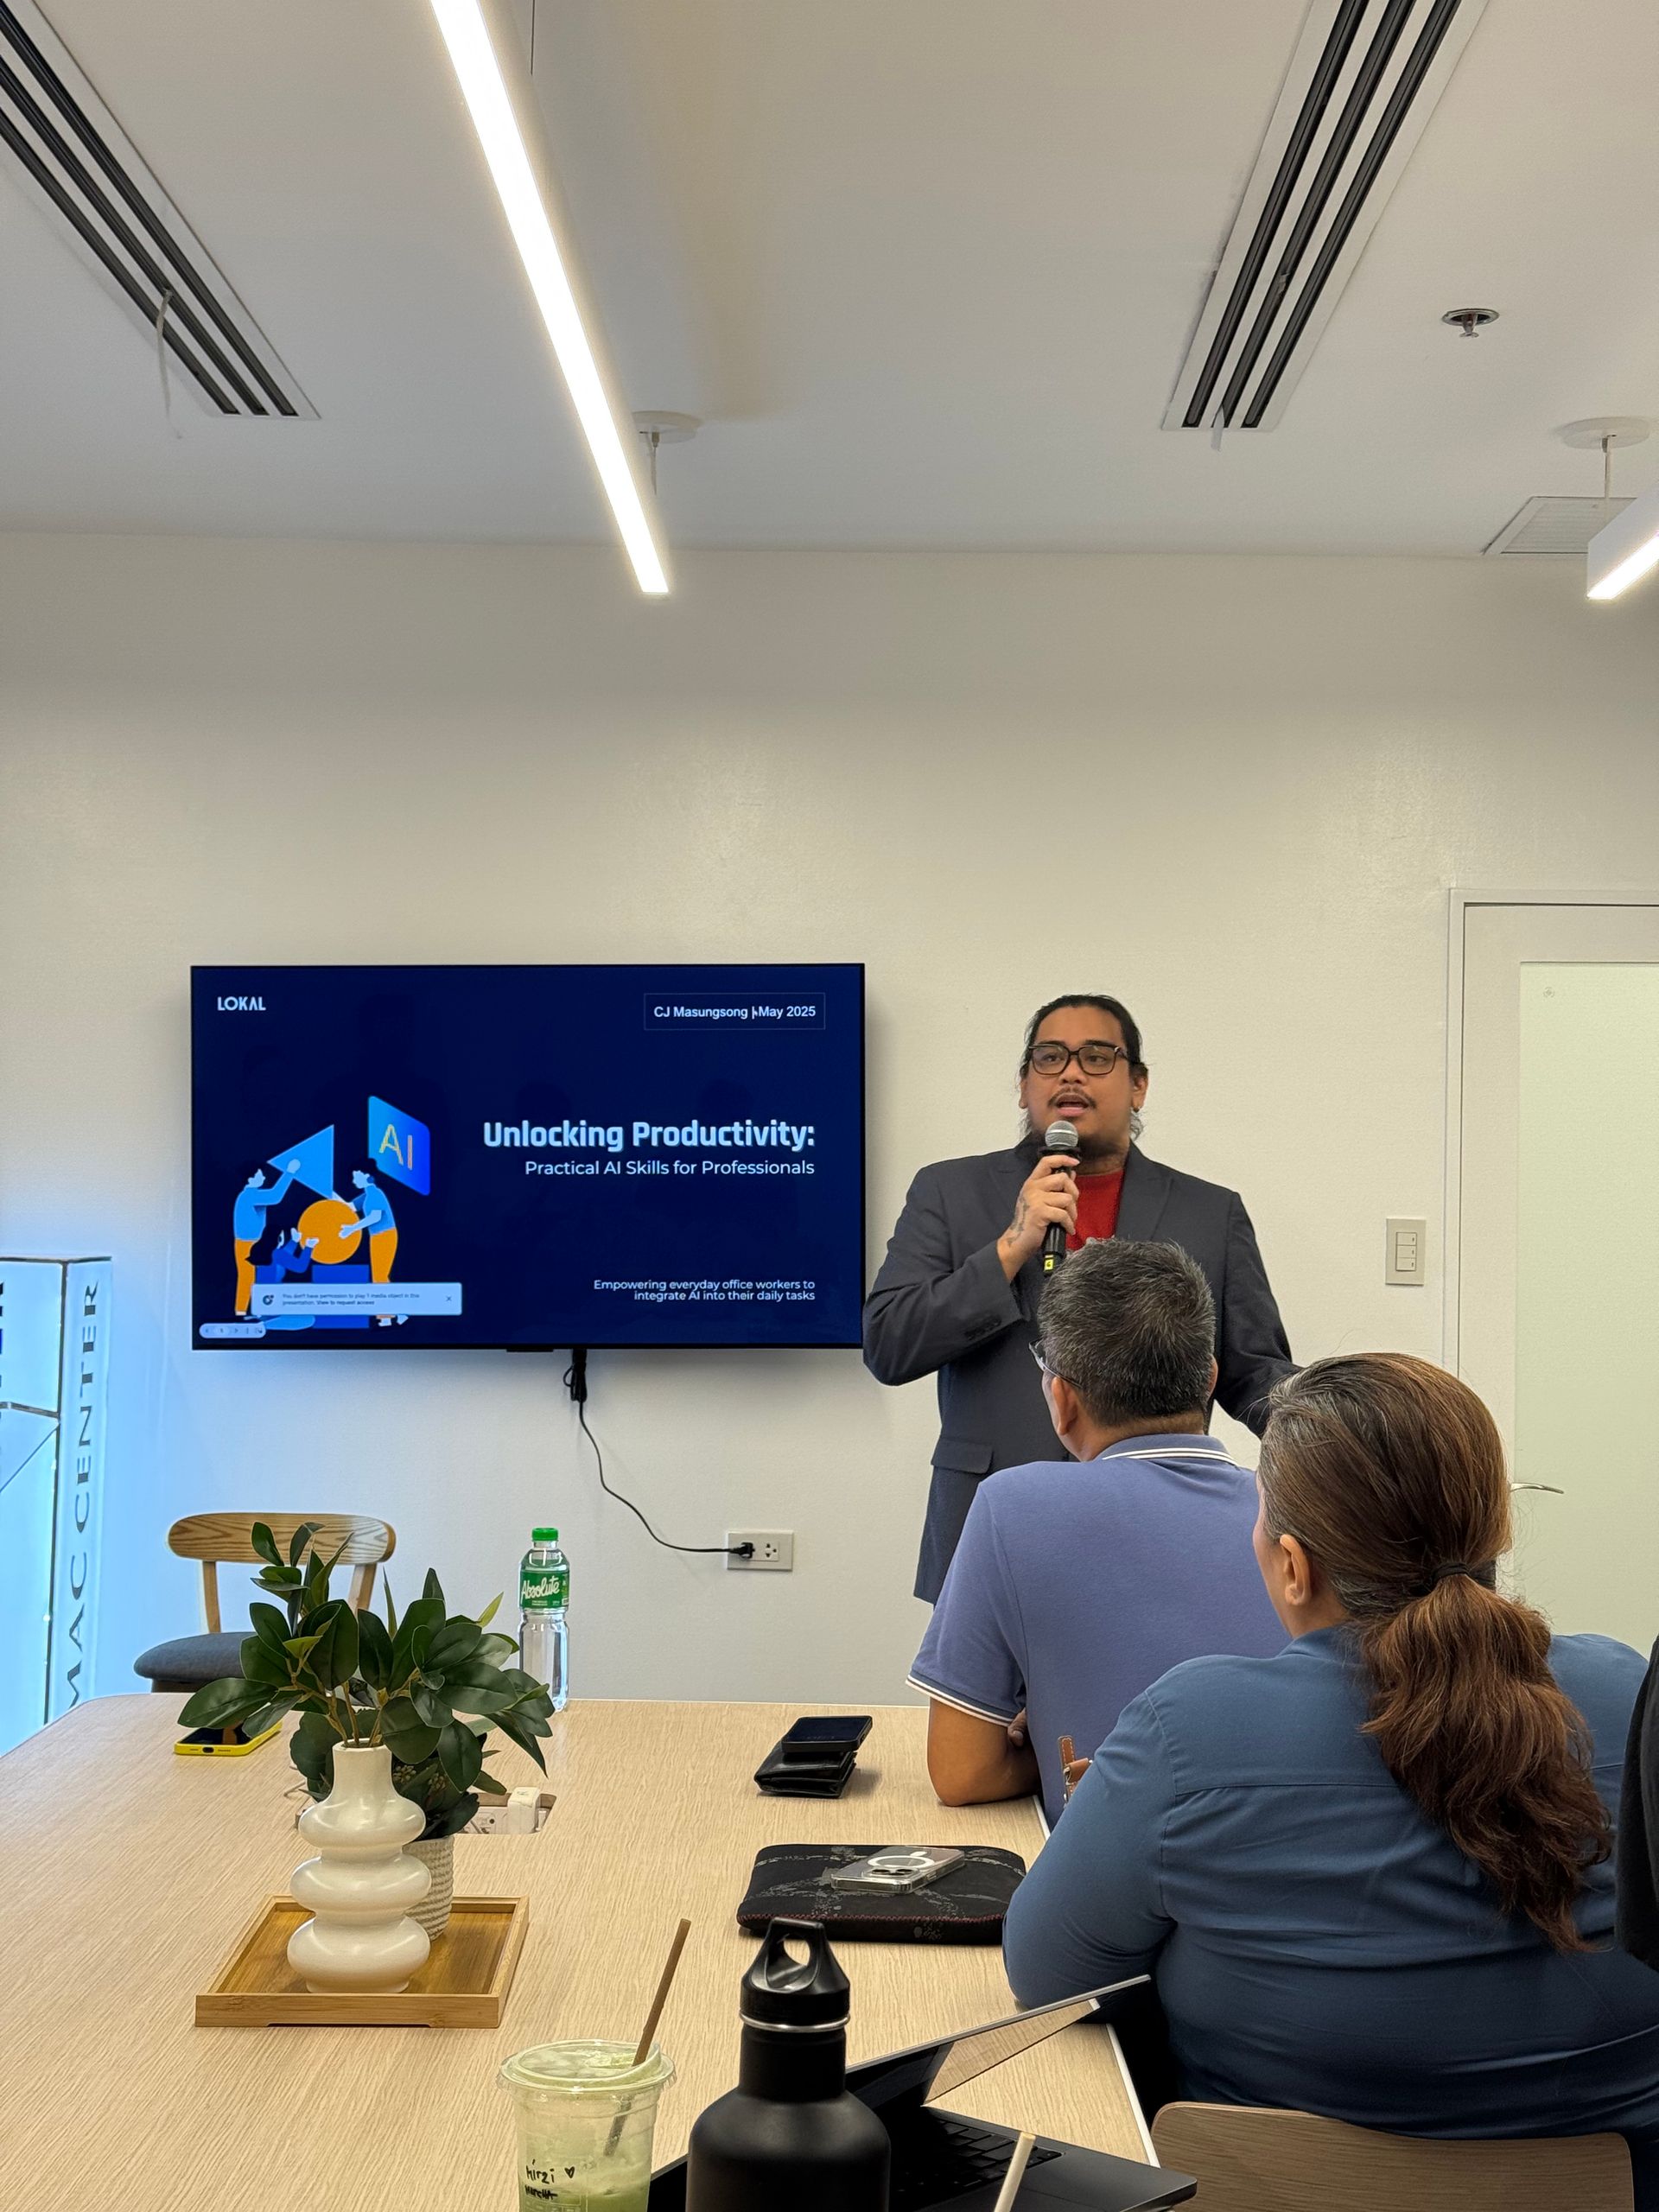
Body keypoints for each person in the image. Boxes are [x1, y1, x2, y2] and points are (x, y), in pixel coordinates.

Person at [1002, 1354, 1659, 2197]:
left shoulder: (1189, 1732)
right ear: (1490, 1529)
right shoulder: (1630, 1693)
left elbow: (1046, 1975)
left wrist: (1126, 1833)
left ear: (1293, 1563)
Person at [864, 993, 1294, 1600]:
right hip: (994, 1523)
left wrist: (1339, 1430)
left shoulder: (1211, 1212)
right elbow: (888, 1344)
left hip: (1164, 1527)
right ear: (1022, 1086)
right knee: (993, 1700)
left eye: (1096, 1057)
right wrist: (1011, 1248)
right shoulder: (948, 1191)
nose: (1070, 1072)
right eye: (1049, 1058)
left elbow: (1255, 1372)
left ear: (1138, 1085)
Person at [909, 1239, 1284, 1825]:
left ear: (1061, 1398)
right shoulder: (1299, 1508)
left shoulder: (1011, 1506)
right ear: (1209, 1379)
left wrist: (1065, 1746)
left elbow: (963, 1772)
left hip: (1110, 1899)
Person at [231, 1157, 300, 1316]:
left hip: (255, 1242)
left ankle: (256, 1311)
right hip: (247, 1243)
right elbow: (275, 1196)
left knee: (257, 1277)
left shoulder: (252, 1195)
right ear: (250, 1179)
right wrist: (289, 1172)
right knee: (248, 1277)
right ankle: (241, 1312)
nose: (263, 1178)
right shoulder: (249, 1196)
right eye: (260, 1176)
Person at [343, 1160, 401, 1325]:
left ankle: (385, 1319)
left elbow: (375, 1217)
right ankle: (401, 1312)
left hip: (385, 1236)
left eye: (356, 1175)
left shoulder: (375, 1194)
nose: (353, 1179)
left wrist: (352, 1229)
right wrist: (328, 1192)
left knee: (380, 1276)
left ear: (367, 1176)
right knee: (381, 1275)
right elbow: (348, 1207)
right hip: (377, 1237)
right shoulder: (366, 1196)